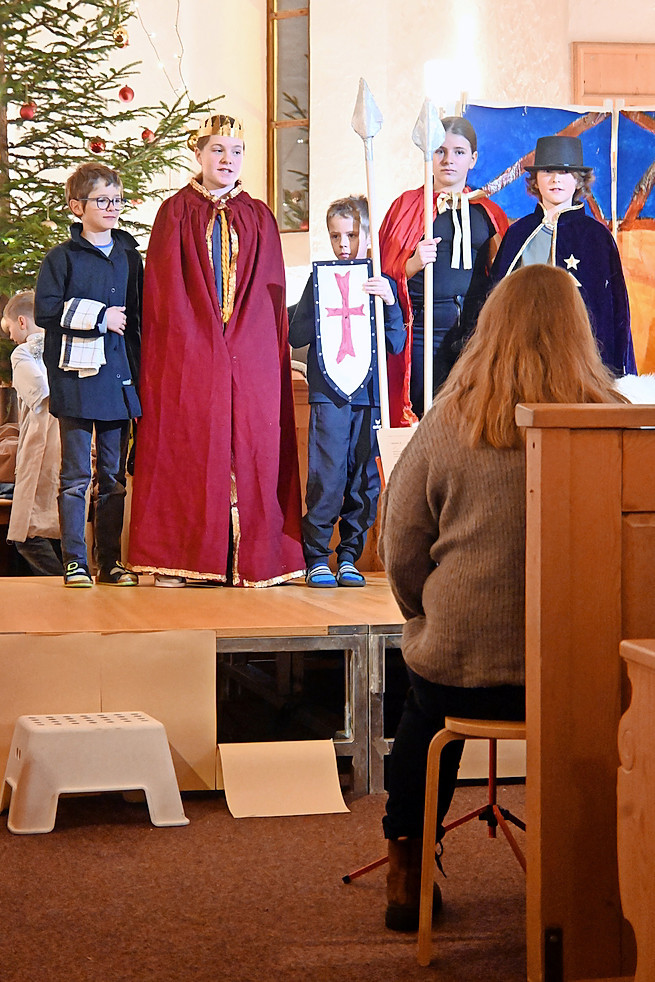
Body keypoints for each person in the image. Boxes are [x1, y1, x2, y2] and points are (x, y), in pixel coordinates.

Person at [378, 264, 625, 931]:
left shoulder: (449, 421)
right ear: (579, 332)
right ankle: (602, 867)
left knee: (422, 707)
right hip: (580, 677)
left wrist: (424, 618)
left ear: (491, 325)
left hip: (465, 672)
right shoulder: (614, 421)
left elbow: (398, 545)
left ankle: (406, 863)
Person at [128, 114, 304, 587]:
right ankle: (182, 556)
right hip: (188, 346)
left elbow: (269, 292)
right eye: (218, 150)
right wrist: (197, 339)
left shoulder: (258, 214)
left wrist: (247, 345)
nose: (227, 160)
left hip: (248, 350)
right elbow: (165, 293)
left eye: (236, 152)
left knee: (253, 442)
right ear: (199, 153)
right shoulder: (175, 212)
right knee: (187, 441)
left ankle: (253, 558)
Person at [289, 196, 406, 587]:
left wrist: (389, 303)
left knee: (363, 478)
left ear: (365, 235)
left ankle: (350, 555)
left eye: (352, 235)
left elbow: (395, 344)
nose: (344, 244)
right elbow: (297, 334)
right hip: (329, 394)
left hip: (368, 395)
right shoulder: (319, 280)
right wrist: (317, 303)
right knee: (328, 474)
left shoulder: (382, 282)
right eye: (336, 236)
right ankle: (318, 555)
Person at [35, 162, 142, 587]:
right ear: (77, 207)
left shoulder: (130, 256)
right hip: (76, 381)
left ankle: (110, 560)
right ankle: (75, 561)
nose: (112, 207)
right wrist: (99, 316)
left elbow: (139, 320)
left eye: (117, 199)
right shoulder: (61, 258)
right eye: (103, 200)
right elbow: (45, 310)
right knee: (77, 476)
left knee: (113, 479)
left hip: (118, 380)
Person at [380, 116, 508, 424]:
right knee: (425, 418)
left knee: (469, 420)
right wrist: (413, 262)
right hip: (423, 332)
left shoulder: (488, 211)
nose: (449, 160)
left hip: (474, 335)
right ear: (429, 154)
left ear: (473, 159)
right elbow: (384, 276)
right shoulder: (408, 207)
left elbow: (504, 274)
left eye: (459, 152)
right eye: (440, 151)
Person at [491, 134, 636, 376]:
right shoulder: (518, 234)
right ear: (535, 180)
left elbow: (616, 311)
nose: (556, 179)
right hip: (522, 353)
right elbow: (493, 299)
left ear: (579, 181)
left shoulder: (597, 237)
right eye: (547, 171)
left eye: (565, 172)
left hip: (580, 359)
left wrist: (618, 371)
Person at [1, 290, 62, 575]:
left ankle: (58, 582)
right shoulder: (63, 346)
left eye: (10, 329)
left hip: (41, 442)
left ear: (22, 322)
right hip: (69, 437)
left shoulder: (24, 352)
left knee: (27, 533)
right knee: (56, 525)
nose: (11, 337)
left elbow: (39, 391)